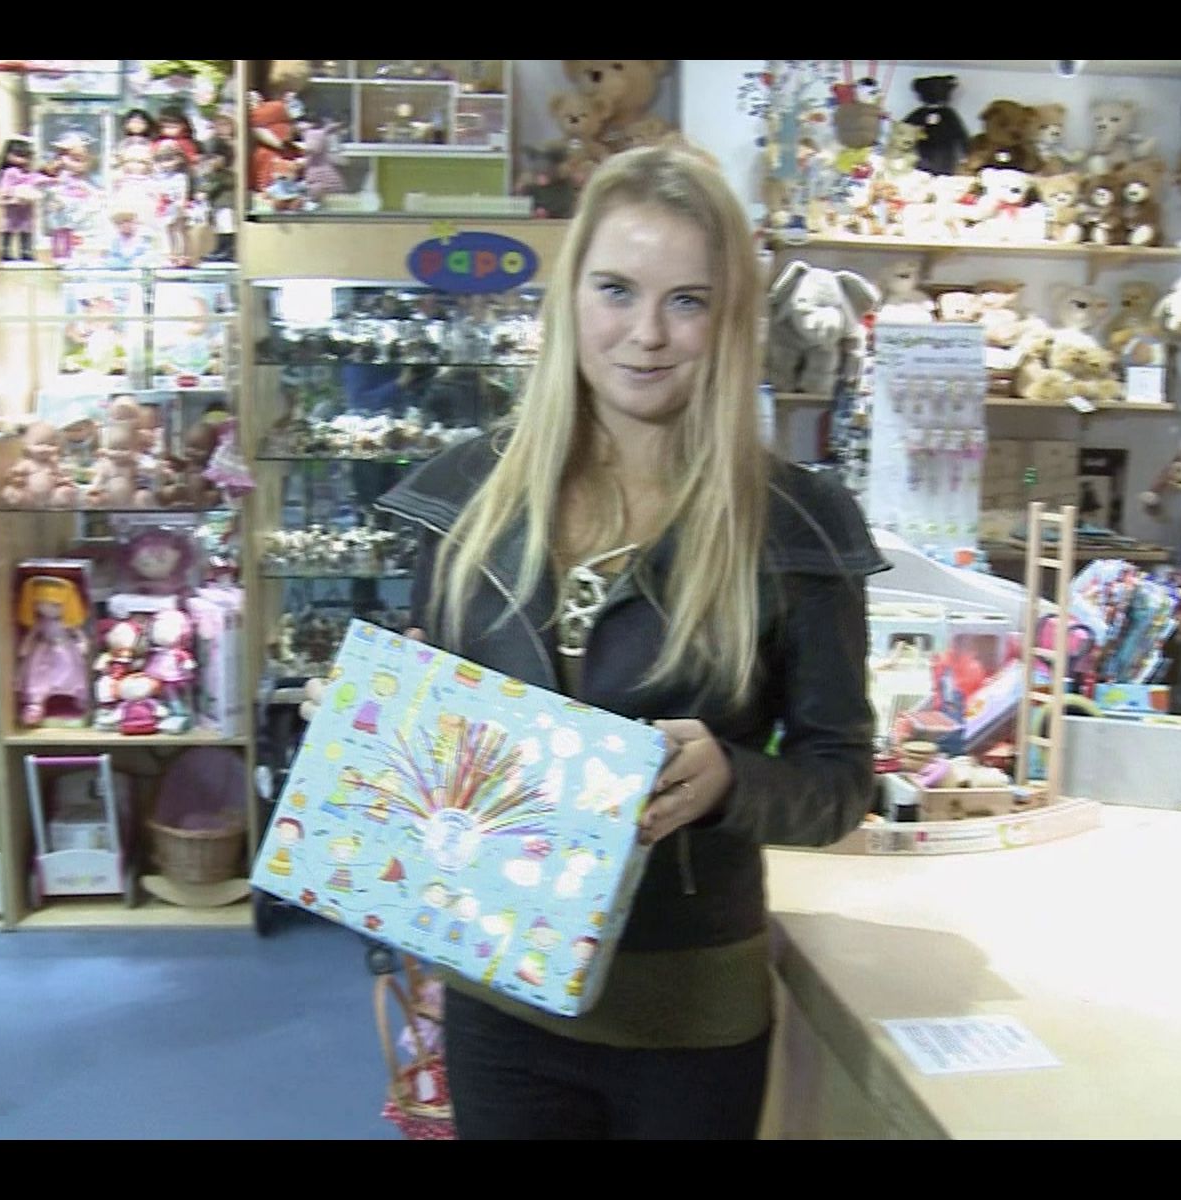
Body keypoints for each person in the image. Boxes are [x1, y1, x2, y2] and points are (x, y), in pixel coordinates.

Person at [373, 145, 884, 1139]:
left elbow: (839, 781)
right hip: (500, 1004)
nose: (646, 334)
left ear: (729, 320)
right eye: (616, 290)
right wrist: (375, 727)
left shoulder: (797, 526)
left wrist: (733, 781)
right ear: (570, 296)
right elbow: (445, 758)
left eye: (687, 301)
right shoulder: (465, 500)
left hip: (688, 1020)